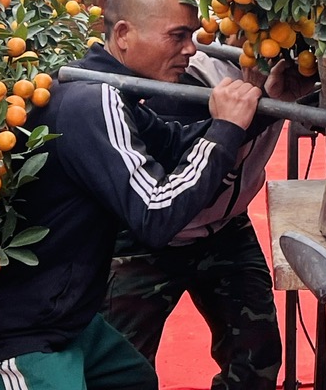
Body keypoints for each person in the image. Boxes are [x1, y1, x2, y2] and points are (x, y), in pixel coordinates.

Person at [0, 0, 266, 390]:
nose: (191, 49)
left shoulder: (111, 91)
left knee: (133, 380)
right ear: (123, 34)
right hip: (18, 334)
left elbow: (173, 144)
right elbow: (156, 214)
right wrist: (225, 130)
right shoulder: (92, 100)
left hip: (65, 319)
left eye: (192, 36)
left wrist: (260, 107)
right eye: (177, 36)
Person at [102, 38, 313, 389]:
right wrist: (262, 106)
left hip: (224, 227)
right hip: (148, 235)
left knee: (256, 355)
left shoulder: (284, 66)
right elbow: (179, 184)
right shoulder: (186, 80)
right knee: (119, 368)